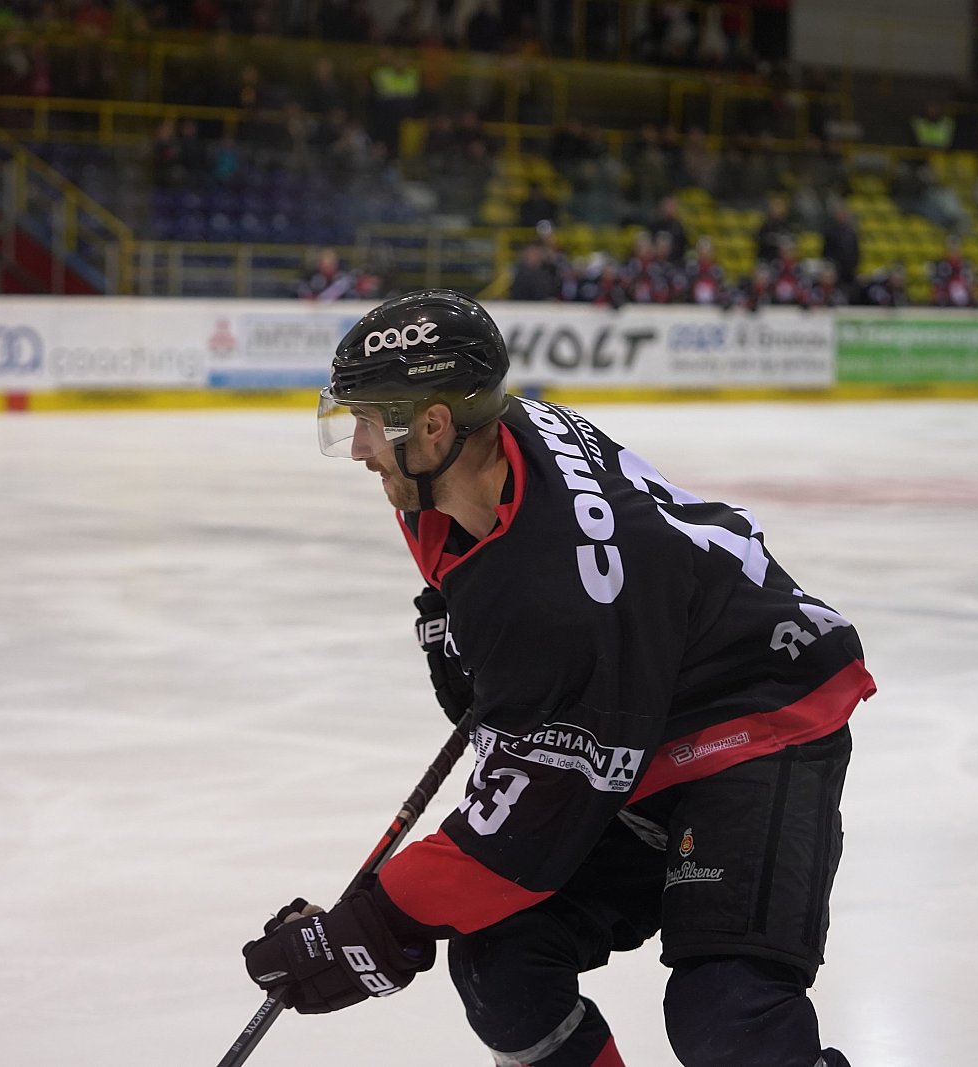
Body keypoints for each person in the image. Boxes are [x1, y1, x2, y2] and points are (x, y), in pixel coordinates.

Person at [243, 289, 876, 1067]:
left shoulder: (559, 595)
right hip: (641, 707)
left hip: (755, 716)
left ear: (434, 424)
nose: (360, 448)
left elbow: (518, 839)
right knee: (501, 962)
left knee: (726, 1012)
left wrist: (368, 929)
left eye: (369, 422)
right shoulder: (460, 466)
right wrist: (455, 618)